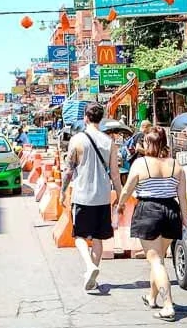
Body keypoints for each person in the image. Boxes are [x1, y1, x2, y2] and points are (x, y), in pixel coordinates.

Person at [115, 127, 184, 321]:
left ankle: (168, 305)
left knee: (155, 261)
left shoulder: (140, 164)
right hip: (171, 211)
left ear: (148, 143)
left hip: (148, 211)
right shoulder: (176, 165)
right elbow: (182, 198)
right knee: (159, 259)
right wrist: (185, 218)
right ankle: (152, 297)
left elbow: (128, 188)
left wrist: (120, 205)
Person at [61, 103, 121, 292]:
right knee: (98, 239)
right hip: (103, 197)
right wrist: (120, 196)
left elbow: (69, 170)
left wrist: (63, 190)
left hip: (82, 196)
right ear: (101, 118)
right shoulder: (109, 141)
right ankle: (92, 278)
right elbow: (115, 174)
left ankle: (89, 266)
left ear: (86, 118)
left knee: (79, 236)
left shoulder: (77, 140)